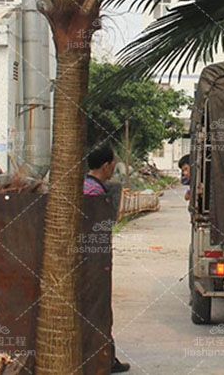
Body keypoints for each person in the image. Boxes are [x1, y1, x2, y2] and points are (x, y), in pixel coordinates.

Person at [84, 141, 130, 373]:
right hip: (91, 263)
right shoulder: (92, 193)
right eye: (113, 163)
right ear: (105, 166)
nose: (114, 167)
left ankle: (107, 358)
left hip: (93, 260)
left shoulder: (90, 187)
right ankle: (103, 360)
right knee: (98, 311)